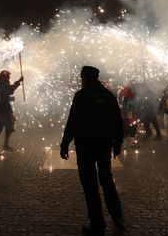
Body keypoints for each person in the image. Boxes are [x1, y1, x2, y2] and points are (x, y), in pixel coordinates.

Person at [60, 66, 124, 235]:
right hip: (104, 145)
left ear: (85, 78)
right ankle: (117, 216)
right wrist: (117, 143)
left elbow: (72, 121)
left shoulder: (81, 96)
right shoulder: (108, 96)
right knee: (107, 180)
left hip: (85, 145)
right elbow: (118, 120)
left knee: (90, 185)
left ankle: (97, 222)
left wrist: (65, 143)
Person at [0, 70, 24, 154]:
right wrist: (18, 82)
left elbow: (6, 93)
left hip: (5, 109)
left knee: (9, 126)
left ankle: (5, 144)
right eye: (8, 76)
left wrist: (9, 98)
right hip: (1, 109)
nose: (9, 77)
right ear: (5, 77)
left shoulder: (3, 84)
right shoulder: (2, 84)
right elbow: (9, 90)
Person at [119, 80, 140, 147]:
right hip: (127, 113)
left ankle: (132, 142)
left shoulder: (134, 93)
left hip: (132, 113)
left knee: (133, 127)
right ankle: (124, 142)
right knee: (126, 126)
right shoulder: (126, 94)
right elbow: (123, 102)